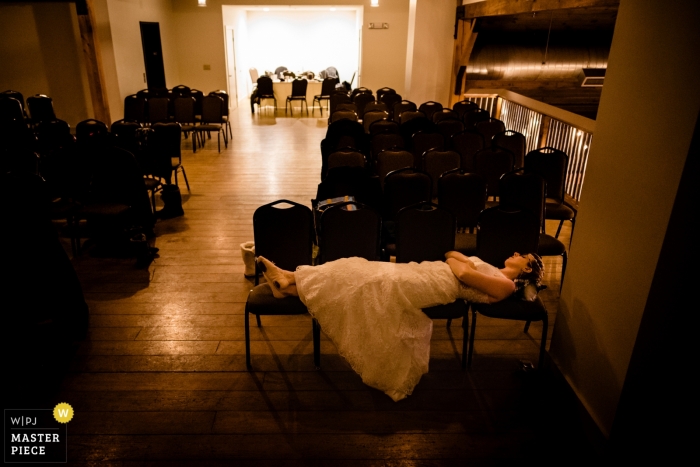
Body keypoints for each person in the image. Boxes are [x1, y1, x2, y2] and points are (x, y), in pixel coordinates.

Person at [256, 252, 544, 401]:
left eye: (522, 255)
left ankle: (291, 283)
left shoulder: (505, 284)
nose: (516, 252)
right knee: (353, 267)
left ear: (528, 268)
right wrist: (458, 263)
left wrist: (460, 263)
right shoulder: (493, 269)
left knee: (365, 279)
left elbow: (463, 271)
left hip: (433, 284)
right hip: (428, 271)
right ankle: (290, 280)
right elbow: (452, 256)